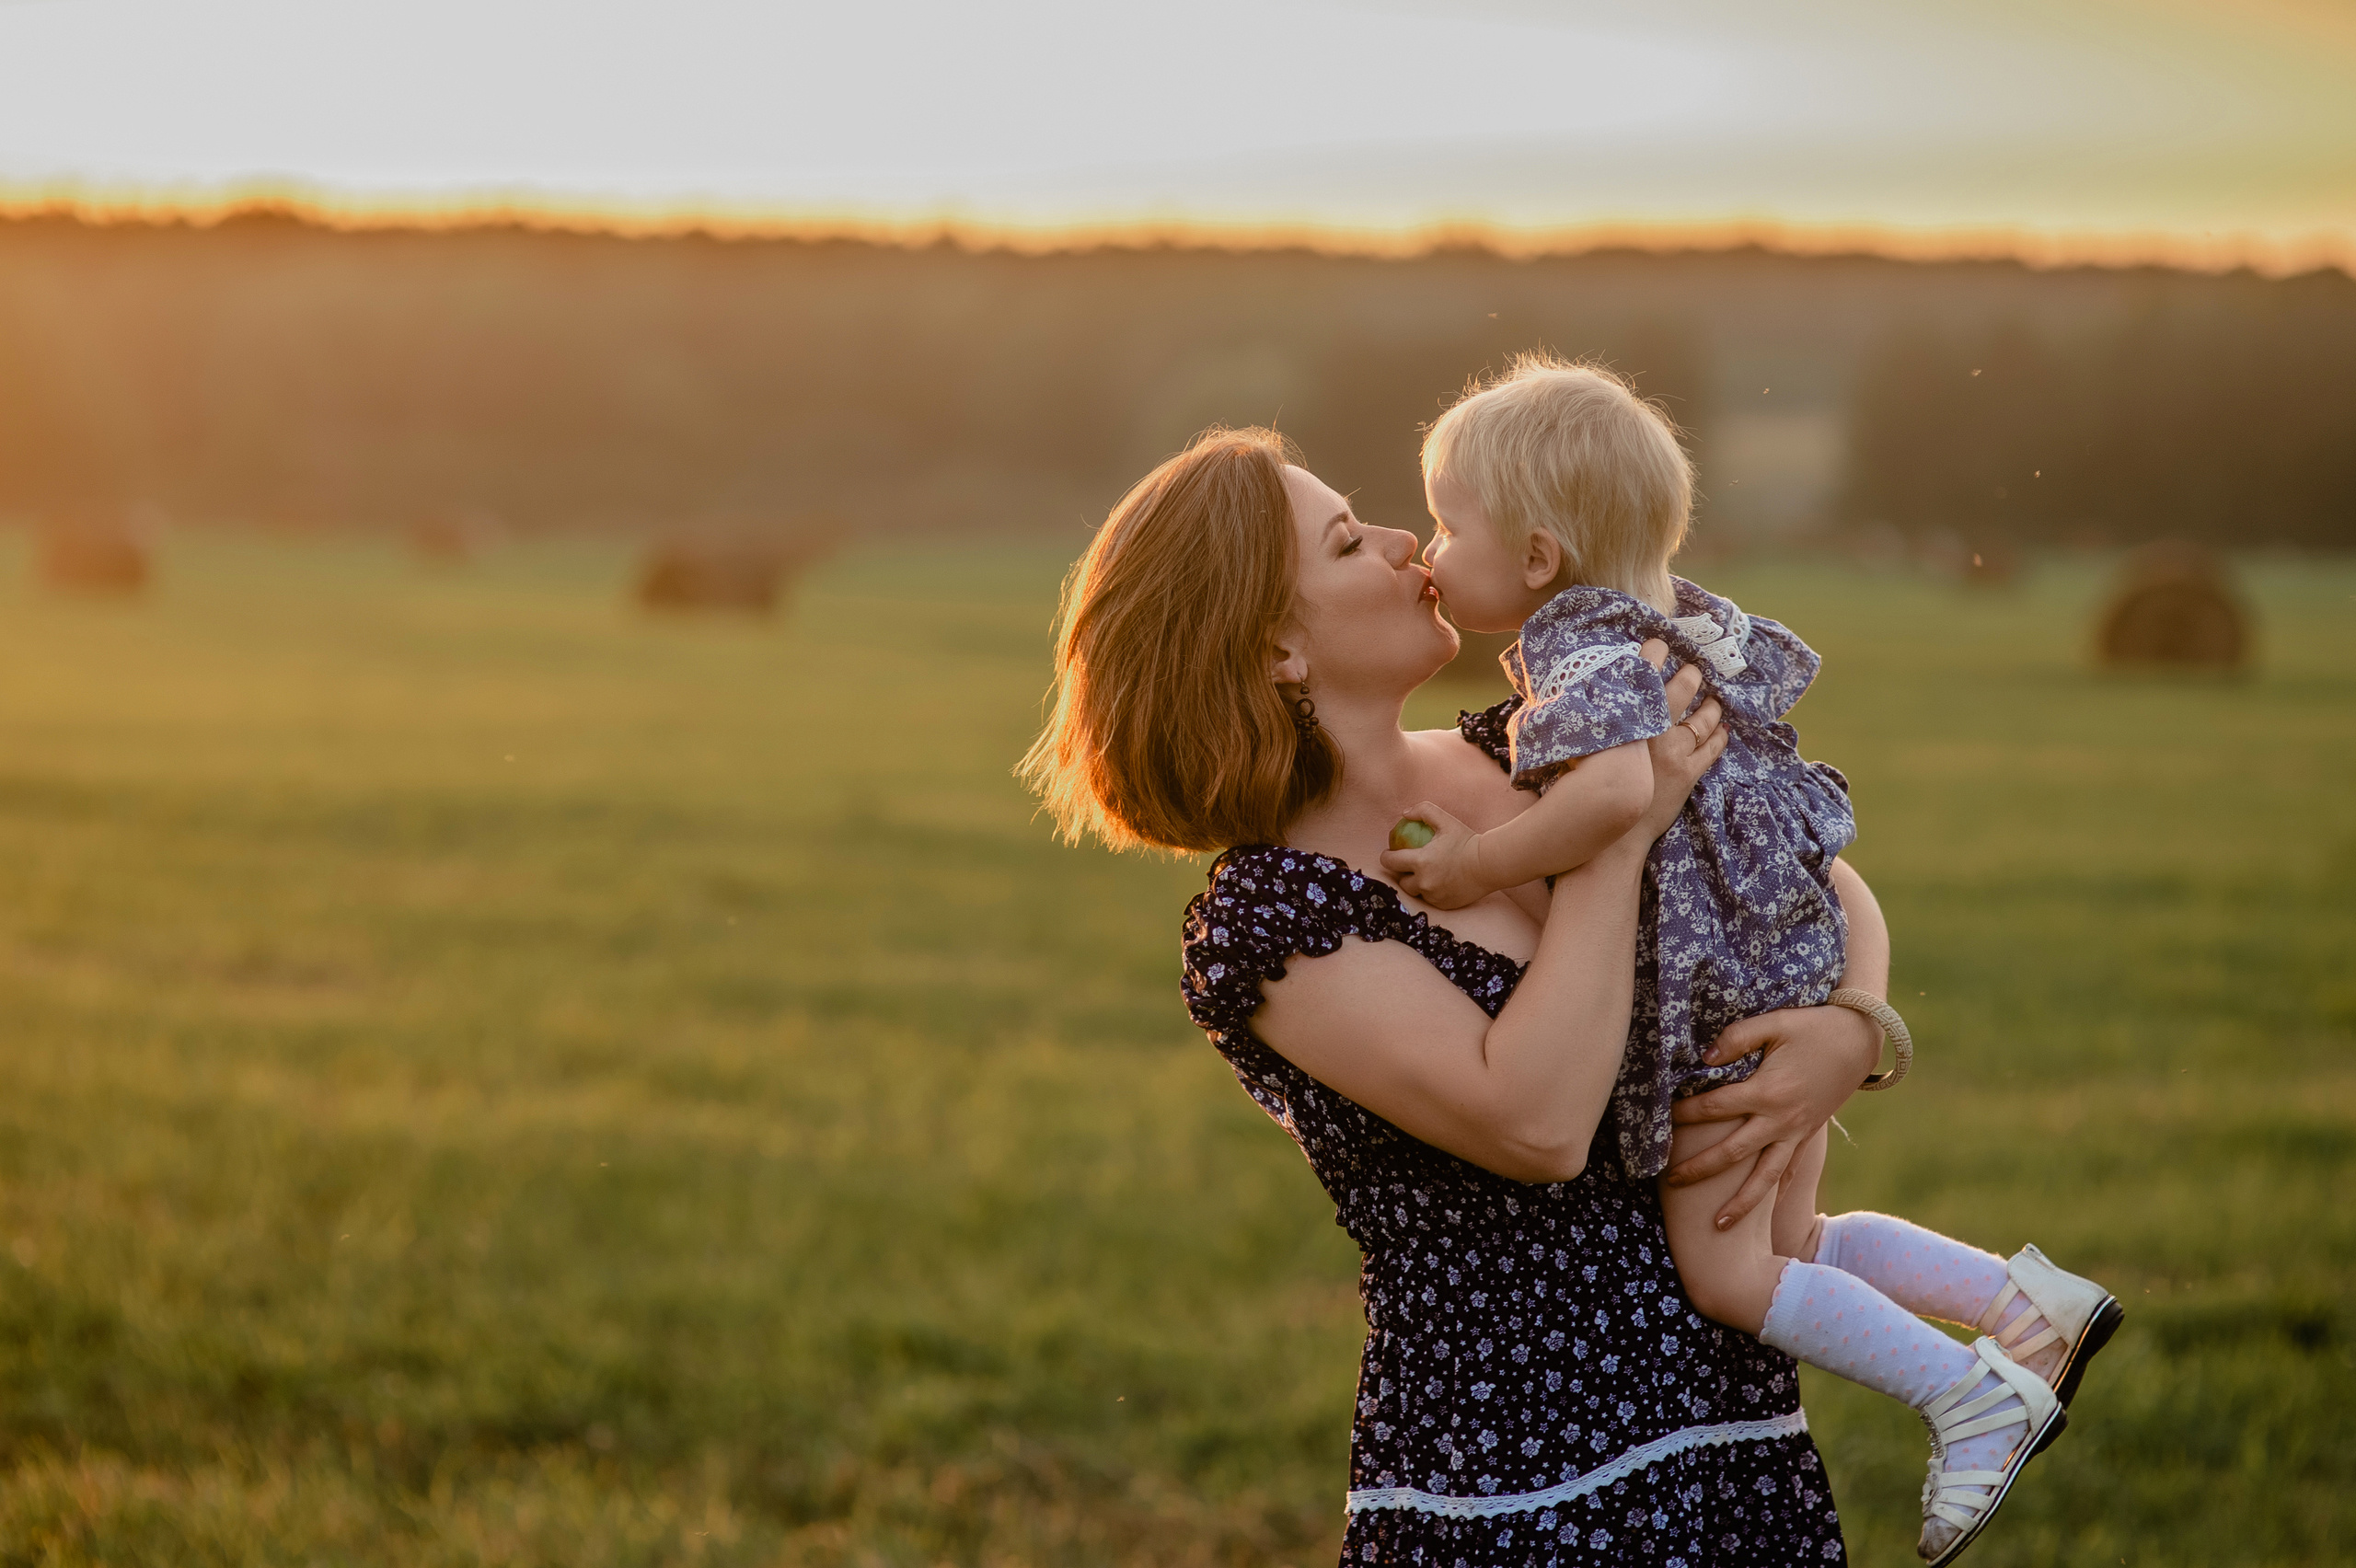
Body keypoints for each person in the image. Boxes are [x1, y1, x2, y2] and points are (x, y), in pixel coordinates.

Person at [1023, 427, 1888, 1564]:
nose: (1399, 544)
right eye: (1347, 542)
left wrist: (1854, 1025)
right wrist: (1609, 844)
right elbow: (1533, 1124)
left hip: (1734, 1432)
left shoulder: (1524, 740)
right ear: (1279, 649)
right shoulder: (1271, 916)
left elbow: (1807, 872)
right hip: (1520, 1485)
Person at [1381, 356, 2123, 1563]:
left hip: (1711, 999)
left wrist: (1475, 866)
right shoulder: (1688, 625)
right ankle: (2013, 1299)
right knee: (1792, 1241)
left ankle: (1969, 1397)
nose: (1427, 547)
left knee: (1729, 1275)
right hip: (1786, 961)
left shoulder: (1581, 652)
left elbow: (1620, 792)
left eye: (1448, 524)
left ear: (1534, 559)